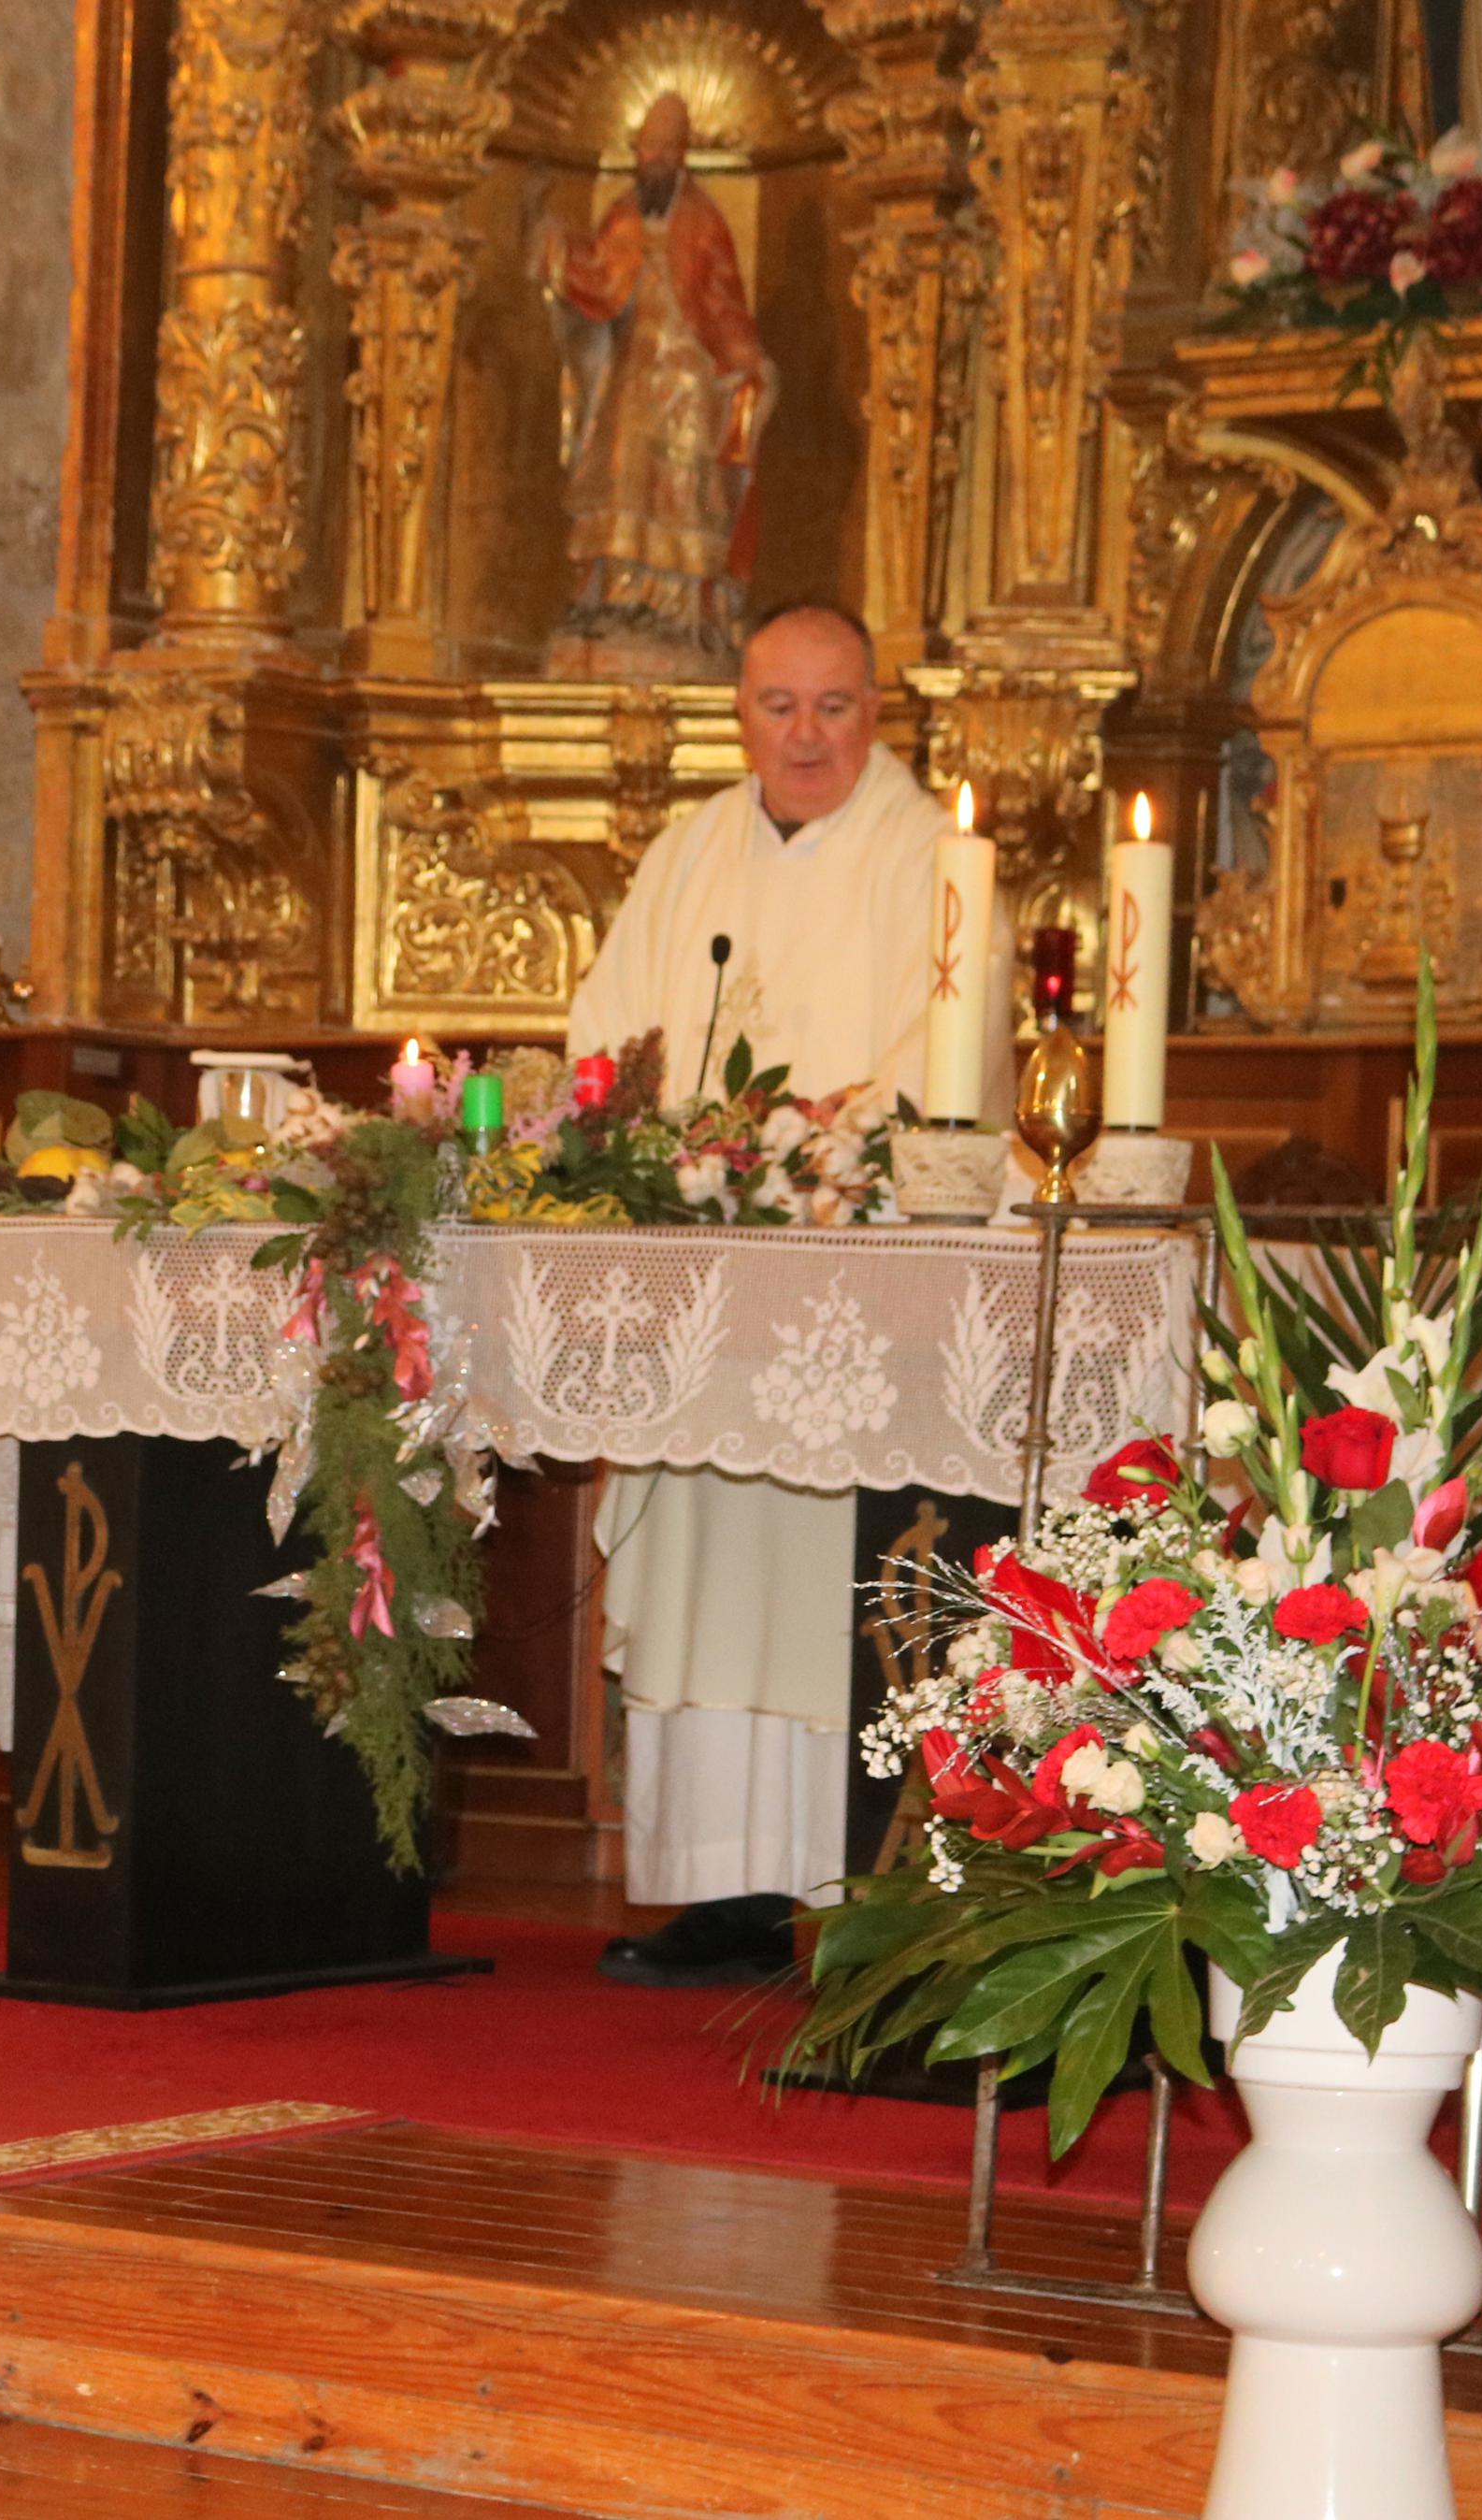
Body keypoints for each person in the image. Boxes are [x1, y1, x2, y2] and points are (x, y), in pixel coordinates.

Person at [562, 600, 997, 1986]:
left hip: (852, 1276)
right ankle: (722, 1892)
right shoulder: (682, 854)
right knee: (708, 1572)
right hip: (707, 1272)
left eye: (833, 705)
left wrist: (832, 1135)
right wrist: (654, 1145)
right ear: (735, 709)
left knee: (824, 1583)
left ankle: (861, 1885)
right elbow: (604, 1036)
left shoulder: (934, 857)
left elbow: (947, 1044)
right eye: (776, 704)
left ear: (878, 711)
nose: (804, 734)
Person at [544, 90, 775, 676]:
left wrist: (745, 358)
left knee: (682, 492)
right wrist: (556, 252)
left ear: (682, 155)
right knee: (621, 482)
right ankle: (616, 599)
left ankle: (676, 611)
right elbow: (597, 277)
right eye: (646, 148)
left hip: (688, 378)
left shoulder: (703, 221)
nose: (653, 160)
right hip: (633, 376)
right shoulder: (622, 213)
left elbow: (721, 300)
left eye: (664, 150)